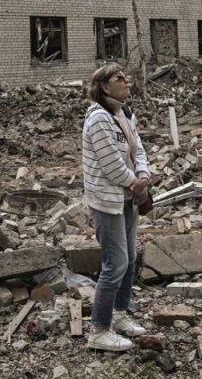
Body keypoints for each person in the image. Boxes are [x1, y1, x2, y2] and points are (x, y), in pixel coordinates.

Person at [82, 63, 150, 352]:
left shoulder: (124, 113)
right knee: (116, 263)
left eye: (126, 76)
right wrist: (137, 183)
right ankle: (98, 330)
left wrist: (144, 174)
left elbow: (139, 150)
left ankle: (120, 315)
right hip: (108, 200)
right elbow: (111, 165)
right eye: (118, 78)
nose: (126, 81)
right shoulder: (98, 118)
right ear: (104, 87)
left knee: (130, 259)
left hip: (128, 198)